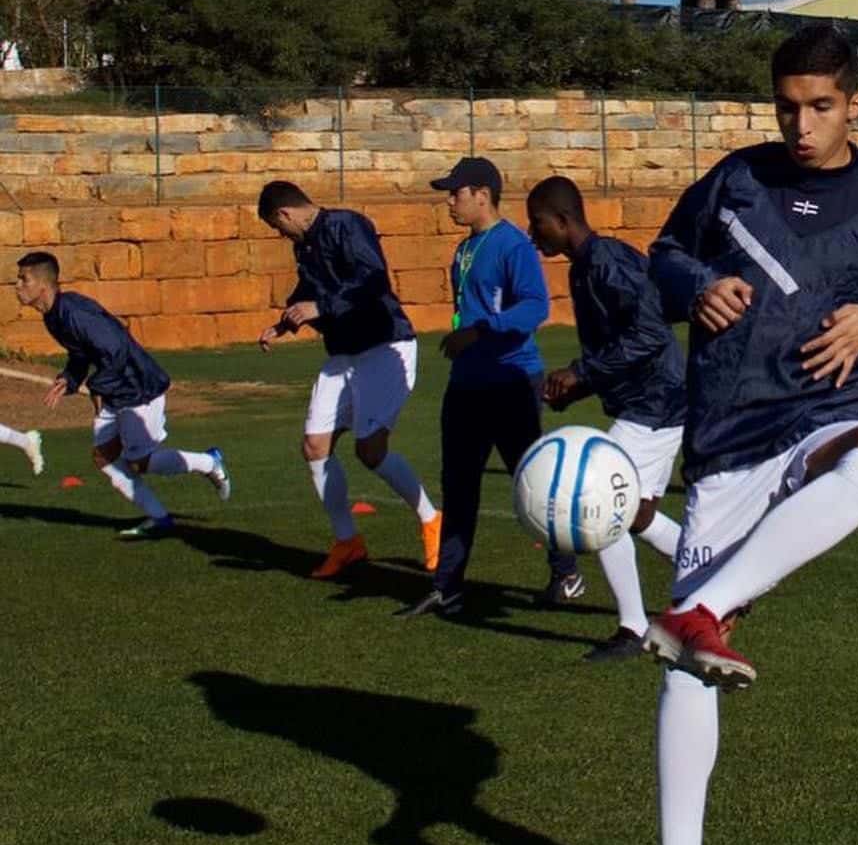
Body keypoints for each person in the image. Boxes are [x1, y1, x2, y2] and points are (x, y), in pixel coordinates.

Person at [595, 25, 858, 845]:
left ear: (855, 105)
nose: (801, 126)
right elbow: (665, 253)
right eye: (787, 108)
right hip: (732, 429)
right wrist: (698, 285)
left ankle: (703, 609)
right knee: (688, 670)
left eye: (820, 107)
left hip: (836, 407)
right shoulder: (736, 181)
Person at [402, 157, 584, 617]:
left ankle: (566, 573)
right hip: (466, 384)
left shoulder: (513, 245)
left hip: (511, 382)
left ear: (482, 195)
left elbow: (536, 307)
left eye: (456, 193)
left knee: (532, 484)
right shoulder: (465, 249)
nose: (449, 202)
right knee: (458, 485)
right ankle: (447, 586)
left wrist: (481, 331)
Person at [526, 176, 686, 661]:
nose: (533, 234)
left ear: (562, 220)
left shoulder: (606, 262)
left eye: (537, 223)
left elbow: (649, 335)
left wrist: (580, 372)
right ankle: (723, 579)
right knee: (637, 514)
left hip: (656, 403)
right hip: (650, 402)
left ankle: (633, 628)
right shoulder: (585, 266)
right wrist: (580, 386)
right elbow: (616, 347)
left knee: (599, 503)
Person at [257, 181, 441, 578]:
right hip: (343, 353)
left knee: (370, 451)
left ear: (284, 214)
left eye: (276, 226)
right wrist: (284, 323)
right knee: (314, 445)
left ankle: (432, 520)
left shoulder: (347, 225)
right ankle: (348, 542)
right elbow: (309, 291)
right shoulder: (303, 246)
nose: (280, 234)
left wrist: (321, 306)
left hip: (384, 346)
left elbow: (374, 280)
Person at [15, 251, 231, 538]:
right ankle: (160, 519)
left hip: (138, 387)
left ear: (43, 286)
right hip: (115, 389)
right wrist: (70, 378)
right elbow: (81, 354)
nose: (17, 285)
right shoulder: (53, 317)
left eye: (24, 279)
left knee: (140, 462)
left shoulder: (76, 313)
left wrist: (96, 387)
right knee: (104, 458)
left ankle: (209, 462)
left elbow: (117, 349)